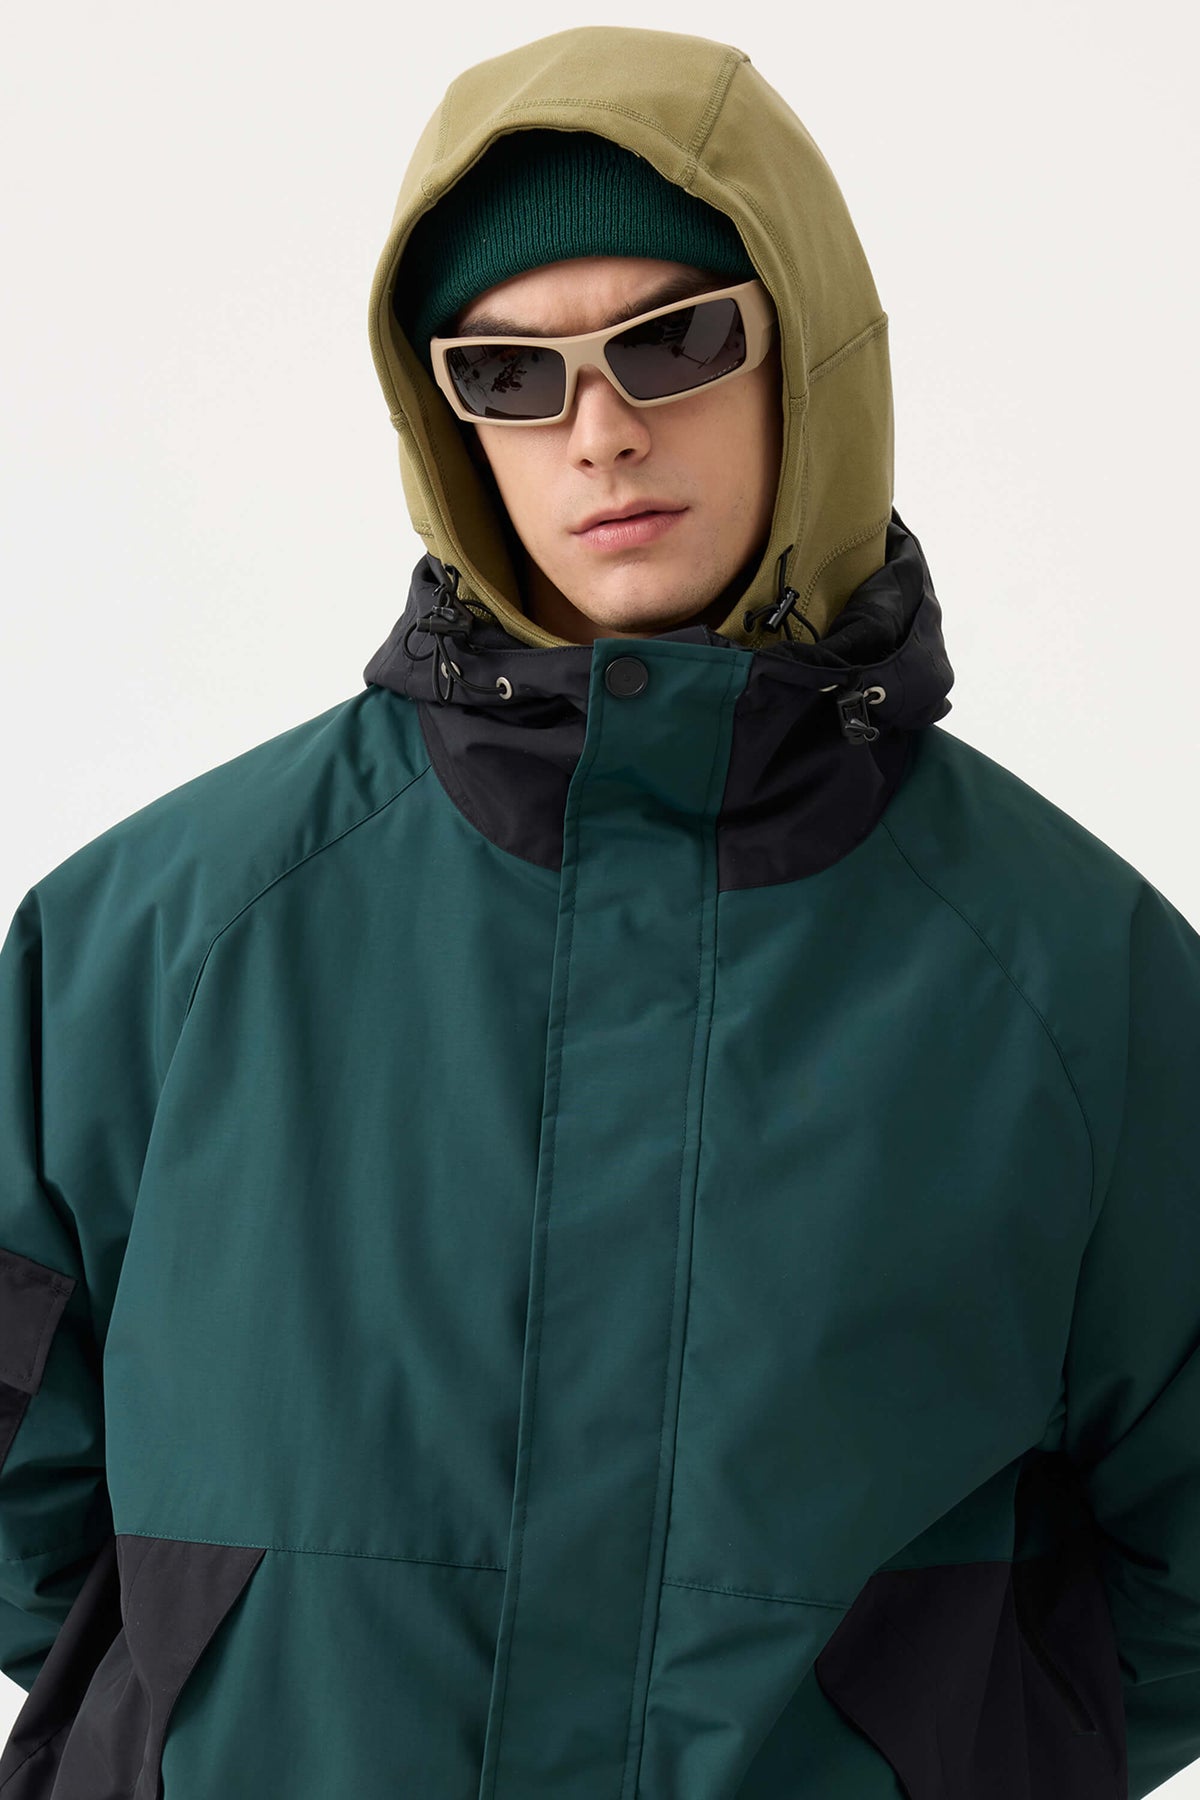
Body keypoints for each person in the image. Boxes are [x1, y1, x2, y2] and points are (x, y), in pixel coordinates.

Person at [1, 23, 1197, 1800]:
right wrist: (212, 1689)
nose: (603, 431)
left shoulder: (1078, 977)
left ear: (811, 352)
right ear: (446, 419)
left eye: (677, 339)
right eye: (510, 372)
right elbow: (26, 1502)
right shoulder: (153, 937)